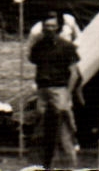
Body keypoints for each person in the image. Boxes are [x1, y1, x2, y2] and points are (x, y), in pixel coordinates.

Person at [29, 9, 81, 170]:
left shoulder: (67, 47)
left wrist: (67, 94)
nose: (50, 29)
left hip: (59, 89)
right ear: (43, 28)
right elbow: (36, 65)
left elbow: (74, 74)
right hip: (43, 90)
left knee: (63, 126)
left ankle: (68, 163)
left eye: (53, 26)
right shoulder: (38, 46)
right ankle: (44, 163)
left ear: (58, 27)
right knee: (41, 127)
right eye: (47, 26)